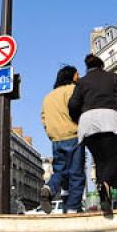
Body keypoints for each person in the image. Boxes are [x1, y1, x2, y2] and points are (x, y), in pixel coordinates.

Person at [68, 54, 117, 215]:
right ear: (102, 65)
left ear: (87, 67)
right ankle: (106, 183)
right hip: (108, 119)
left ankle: (105, 197)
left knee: (100, 160)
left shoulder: (81, 82)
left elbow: (73, 104)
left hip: (87, 123)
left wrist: (80, 118)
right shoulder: (112, 77)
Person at [40, 65, 86, 214]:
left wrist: (51, 133)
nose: (78, 77)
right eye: (77, 74)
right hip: (73, 134)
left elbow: (43, 118)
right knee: (76, 174)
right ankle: (73, 208)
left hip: (56, 139)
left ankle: (49, 187)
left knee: (60, 171)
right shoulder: (73, 90)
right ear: (71, 76)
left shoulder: (48, 97)